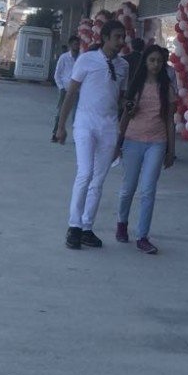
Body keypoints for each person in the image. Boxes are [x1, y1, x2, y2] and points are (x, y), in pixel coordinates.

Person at [54, 19, 128, 250]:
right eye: (116, 36)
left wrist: (123, 131)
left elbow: (121, 99)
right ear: (105, 37)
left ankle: (87, 227)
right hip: (85, 123)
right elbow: (71, 93)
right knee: (85, 173)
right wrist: (61, 125)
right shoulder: (87, 59)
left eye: (122, 37)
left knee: (98, 180)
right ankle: (73, 226)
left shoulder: (123, 66)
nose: (120, 41)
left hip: (109, 127)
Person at [114, 44, 176, 253]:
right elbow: (125, 115)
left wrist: (171, 150)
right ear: (145, 62)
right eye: (152, 60)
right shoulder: (136, 86)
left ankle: (142, 236)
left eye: (159, 61)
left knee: (148, 190)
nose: (156, 64)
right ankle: (122, 223)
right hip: (133, 141)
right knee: (128, 189)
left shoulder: (167, 88)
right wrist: (118, 142)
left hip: (157, 143)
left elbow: (169, 120)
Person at [52, 36, 81, 140]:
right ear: (70, 45)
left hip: (78, 90)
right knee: (61, 112)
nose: (76, 46)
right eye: (74, 44)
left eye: (78, 44)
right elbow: (57, 74)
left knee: (76, 114)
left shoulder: (82, 58)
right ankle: (56, 133)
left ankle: (76, 137)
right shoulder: (64, 57)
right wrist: (61, 87)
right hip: (65, 89)